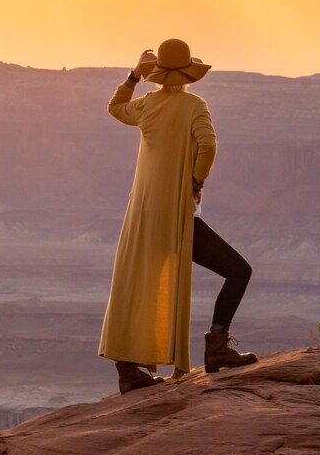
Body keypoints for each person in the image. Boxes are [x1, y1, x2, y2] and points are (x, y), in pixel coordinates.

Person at [98, 38, 257, 394]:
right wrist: (196, 181)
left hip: (143, 213)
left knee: (139, 284)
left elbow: (115, 107)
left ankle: (129, 371)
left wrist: (133, 75)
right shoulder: (194, 105)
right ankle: (217, 345)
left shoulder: (147, 104)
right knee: (238, 270)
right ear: (188, 73)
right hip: (177, 216)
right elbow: (209, 144)